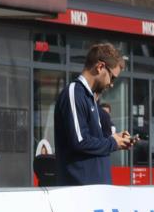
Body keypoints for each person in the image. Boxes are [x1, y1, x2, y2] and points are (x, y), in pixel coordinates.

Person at [53, 43, 134, 185]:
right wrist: (113, 143)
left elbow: (93, 140)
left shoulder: (91, 98)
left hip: (96, 190)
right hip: (80, 191)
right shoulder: (74, 93)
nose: (112, 84)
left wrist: (115, 138)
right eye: (112, 77)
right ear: (100, 67)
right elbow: (80, 141)